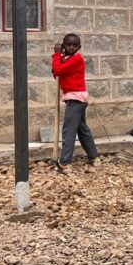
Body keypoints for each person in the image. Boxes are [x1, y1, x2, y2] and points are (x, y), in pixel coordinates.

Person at [52, 33, 100, 168]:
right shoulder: (65, 58)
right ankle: (94, 157)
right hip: (75, 98)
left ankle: (65, 162)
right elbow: (56, 73)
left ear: (79, 47)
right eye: (68, 44)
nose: (71, 47)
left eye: (74, 45)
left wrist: (56, 55)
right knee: (82, 129)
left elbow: (58, 70)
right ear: (63, 45)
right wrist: (58, 58)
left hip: (76, 98)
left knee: (69, 130)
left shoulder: (77, 59)